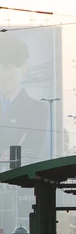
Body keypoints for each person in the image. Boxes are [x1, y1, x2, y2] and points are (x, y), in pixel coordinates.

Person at [0, 34, 49, 165]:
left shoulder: (37, 109)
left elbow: (31, 150)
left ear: (24, 68)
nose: (2, 74)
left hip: (12, 177)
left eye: (8, 67)